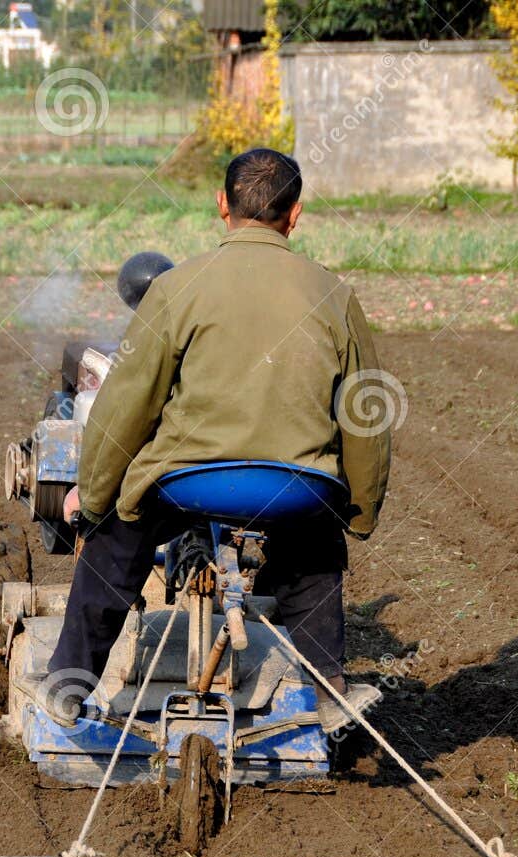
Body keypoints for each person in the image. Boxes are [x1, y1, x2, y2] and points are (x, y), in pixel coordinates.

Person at [48, 148, 391, 732]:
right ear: (296, 213)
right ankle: (328, 685)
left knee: (118, 540)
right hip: (294, 485)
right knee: (313, 550)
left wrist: (96, 497)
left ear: (222, 206)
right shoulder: (335, 295)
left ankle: (69, 683)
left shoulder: (177, 288)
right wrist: (357, 513)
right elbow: (367, 416)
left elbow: (126, 407)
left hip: (189, 479)